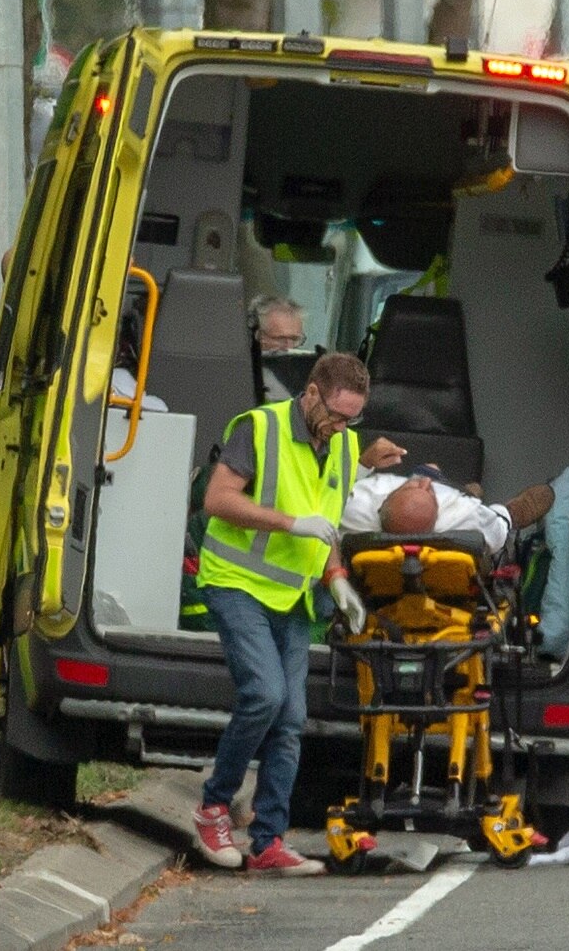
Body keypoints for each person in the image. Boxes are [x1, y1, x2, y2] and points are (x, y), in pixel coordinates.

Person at [191, 352, 402, 875]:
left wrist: (338, 579)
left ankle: (267, 843)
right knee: (264, 695)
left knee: (289, 721)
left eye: (352, 418)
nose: (341, 425)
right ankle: (214, 806)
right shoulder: (258, 428)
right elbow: (217, 500)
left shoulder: (345, 447)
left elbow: (325, 524)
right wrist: (291, 523)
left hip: (293, 597)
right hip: (236, 583)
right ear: (310, 394)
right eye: (334, 414)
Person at [339, 465, 555, 553]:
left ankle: (469, 488)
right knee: (504, 513)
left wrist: (365, 463)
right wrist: (506, 516)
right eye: (429, 492)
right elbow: (498, 530)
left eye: (412, 487)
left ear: (383, 503)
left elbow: (335, 495)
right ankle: (470, 490)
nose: (424, 483)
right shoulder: (464, 516)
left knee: (429, 469)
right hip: (458, 497)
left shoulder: (354, 508)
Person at [251, 295, 306, 401]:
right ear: (258, 336)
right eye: (280, 339)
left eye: (294, 339)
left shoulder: (304, 376)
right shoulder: (244, 375)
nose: (289, 347)